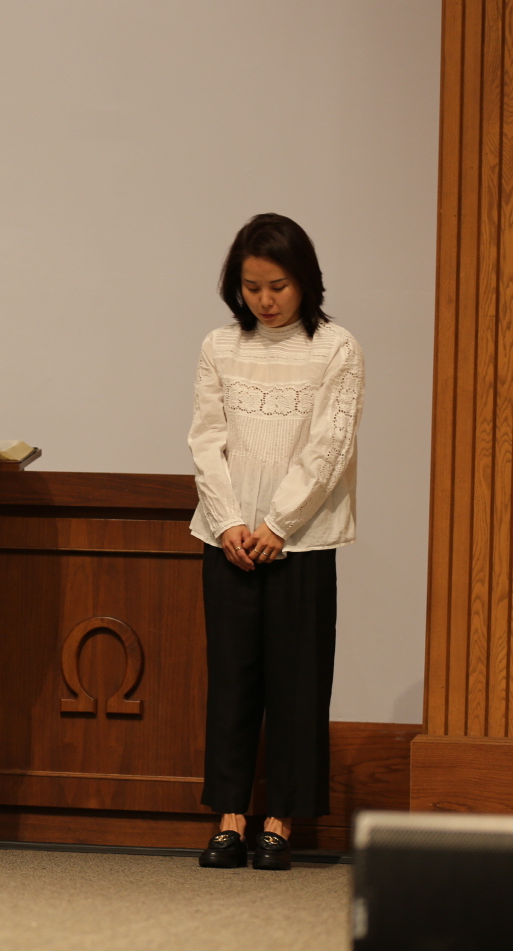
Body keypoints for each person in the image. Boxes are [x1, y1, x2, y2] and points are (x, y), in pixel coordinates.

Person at [189, 213, 364, 871]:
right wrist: (230, 522)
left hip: (303, 542)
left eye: (278, 286)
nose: (265, 300)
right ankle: (229, 815)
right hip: (228, 538)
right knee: (232, 681)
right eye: (252, 287)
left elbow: (329, 446)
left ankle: (280, 819)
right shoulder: (219, 346)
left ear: (306, 281)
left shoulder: (336, 348)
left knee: (297, 682)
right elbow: (206, 439)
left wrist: (279, 525)